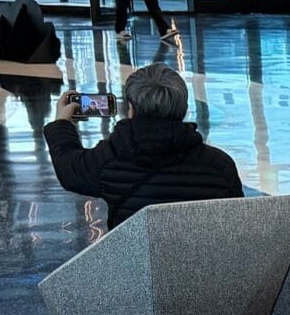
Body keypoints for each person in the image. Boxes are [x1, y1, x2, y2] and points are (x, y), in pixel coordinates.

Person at [43, 62, 242, 228]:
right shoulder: (219, 165)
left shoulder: (109, 159)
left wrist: (62, 123)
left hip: (135, 270)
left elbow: (69, 169)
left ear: (131, 109)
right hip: (200, 269)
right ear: (183, 110)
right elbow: (238, 224)